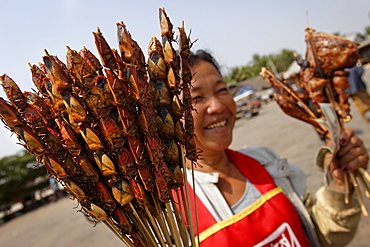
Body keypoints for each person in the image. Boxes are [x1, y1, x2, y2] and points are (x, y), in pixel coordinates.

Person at [183, 49, 369, 247]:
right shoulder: (169, 215)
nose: (217, 106)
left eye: (221, 90)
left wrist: (339, 185)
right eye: (195, 98)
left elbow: (320, 236)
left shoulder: (267, 161)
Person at [345, 58, 370, 123]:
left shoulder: (343, 71)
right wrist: (360, 65)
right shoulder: (352, 67)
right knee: (367, 101)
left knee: (358, 104)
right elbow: (360, 72)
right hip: (359, 88)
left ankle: (365, 119)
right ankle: (365, 119)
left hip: (351, 90)